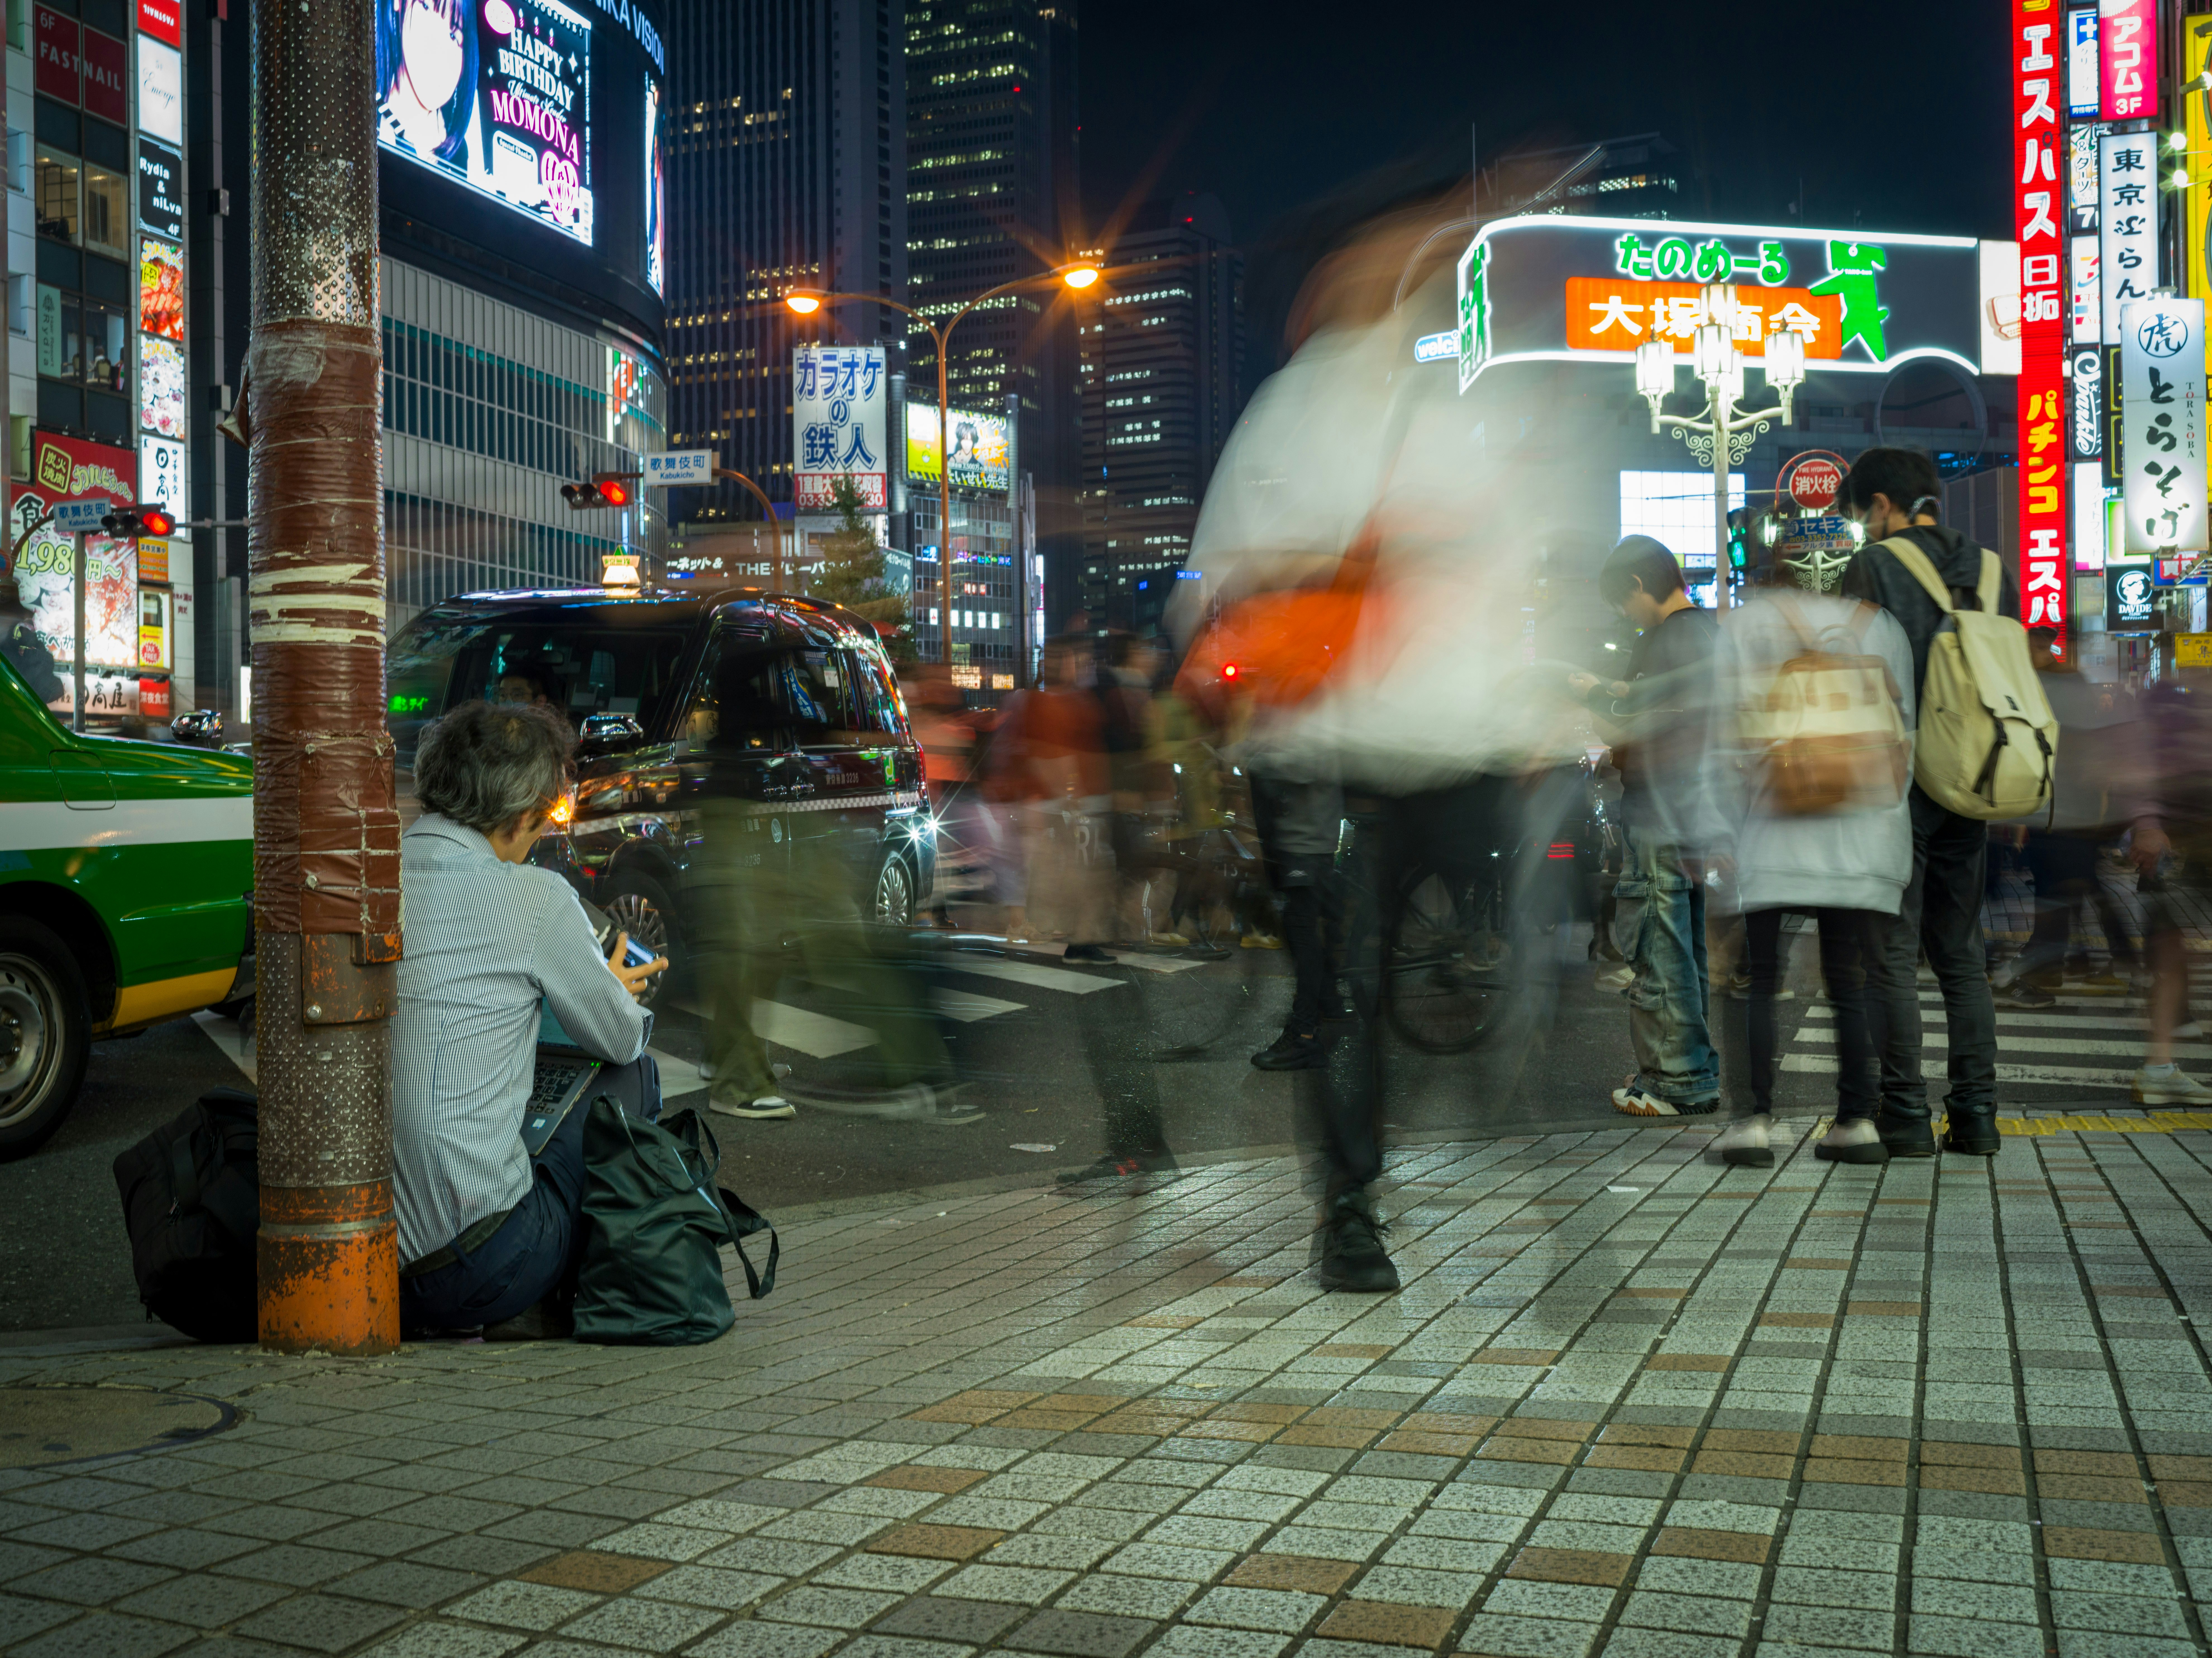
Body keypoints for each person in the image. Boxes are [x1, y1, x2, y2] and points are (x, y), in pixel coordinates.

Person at [391, 700, 667, 1339]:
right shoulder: (536, 897)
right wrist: (611, 990)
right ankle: (582, 1289)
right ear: (519, 818)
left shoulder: (377, 876)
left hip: (369, 1262)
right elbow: (620, 1037)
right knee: (633, 1077)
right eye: (543, 822)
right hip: (478, 1264)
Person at [1704, 555, 1916, 1167]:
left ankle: (1753, 1123)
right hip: (1862, 837)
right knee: (1848, 981)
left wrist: (1715, 829)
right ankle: (1856, 1123)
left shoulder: (1746, 625)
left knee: (1759, 979)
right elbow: (1903, 734)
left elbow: (1723, 735)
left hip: (1773, 829)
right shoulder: (1882, 626)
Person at [1837, 446, 2018, 1157]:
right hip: (1974, 776)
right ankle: (1975, 1116)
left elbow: (1852, 675)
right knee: (1960, 954)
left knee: (1889, 952)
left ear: (1880, 505)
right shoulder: (1992, 567)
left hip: (1898, 779)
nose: (1864, 530)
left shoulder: (1876, 566)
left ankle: (1904, 1115)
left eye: (1862, 517)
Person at [1570, 536, 1722, 1118]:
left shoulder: (1666, 640)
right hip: (1694, 811)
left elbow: (1638, 723)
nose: (1623, 616)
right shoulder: (1708, 633)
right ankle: (1689, 1067)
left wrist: (1595, 703)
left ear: (1636, 586)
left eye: (1621, 604)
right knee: (1683, 949)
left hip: (1659, 808)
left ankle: (1676, 1079)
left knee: (1659, 946)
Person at [1991, 629, 2139, 1007]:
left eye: (2040, 647)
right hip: (2058, 814)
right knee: (2068, 896)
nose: (2036, 654)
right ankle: (2055, 967)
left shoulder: (2055, 685)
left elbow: (2071, 752)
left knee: (2064, 898)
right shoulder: (2061, 684)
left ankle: (2041, 968)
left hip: (2064, 815)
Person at [0, 574, 63, 706]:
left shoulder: (24, 639)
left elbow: (47, 667)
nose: (5, 619)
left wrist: (29, 654)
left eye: (9, 614)